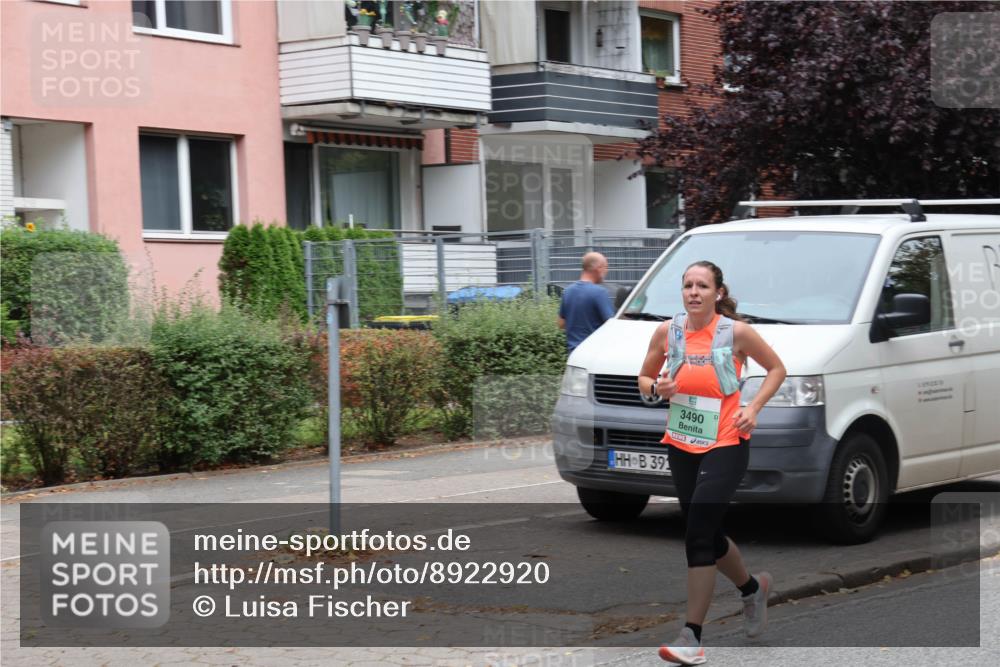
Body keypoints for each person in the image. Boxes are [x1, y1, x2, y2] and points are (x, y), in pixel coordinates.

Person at [637, 260, 786, 665]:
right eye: (687, 285)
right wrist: (658, 388)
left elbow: (776, 369)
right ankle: (753, 590)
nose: (694, 292)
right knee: (706, 531)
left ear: (718, 292)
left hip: (726, 440)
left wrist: (753, 407)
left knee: (697, 532)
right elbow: (645, 379)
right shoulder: (668, 331)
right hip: (682, 440)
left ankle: (692, 636)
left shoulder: (735, 332)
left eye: (702, 285)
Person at [558, 252, 614, 354]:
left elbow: (561, 324)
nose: (606, 271)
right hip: (594, 354)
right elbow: (611, 326)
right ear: (598, 268)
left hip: (573, 355)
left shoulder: (568, 291)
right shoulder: (599, 293)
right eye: (605, 267)